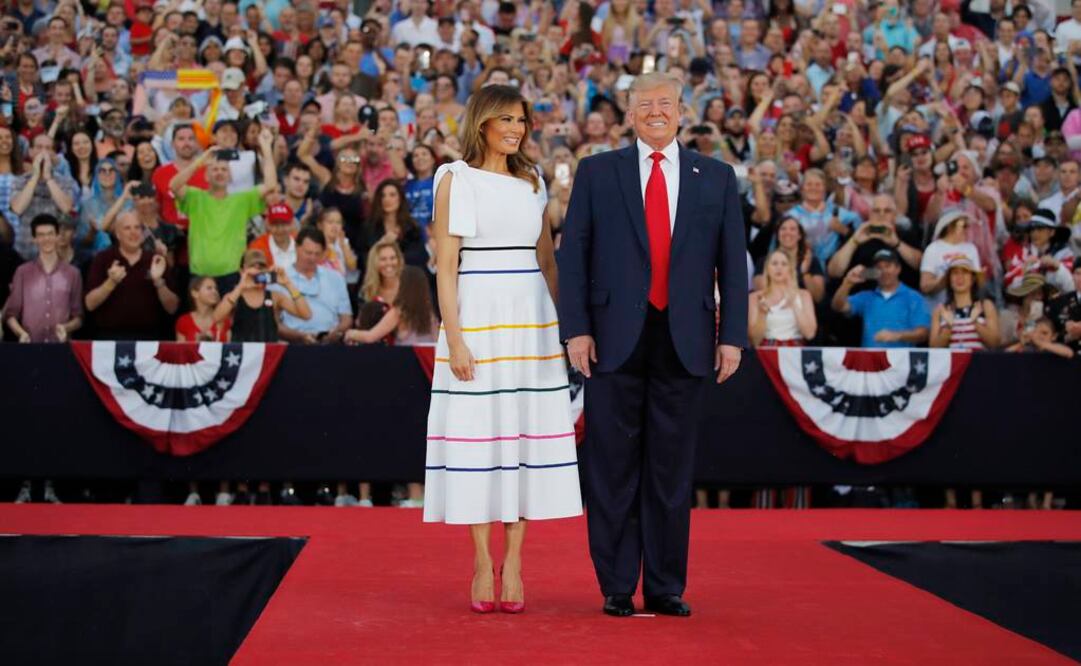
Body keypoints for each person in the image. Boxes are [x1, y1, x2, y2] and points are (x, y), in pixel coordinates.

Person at [559, 72, 747, 618]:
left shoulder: (716, 177)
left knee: (670, 470)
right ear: (630, 111)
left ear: (682, 111)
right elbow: (574, 258)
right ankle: (617, 584)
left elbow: (732, 266)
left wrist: (731, 336)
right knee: (612, 467)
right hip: (612, 341)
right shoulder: (598, 172)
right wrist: (576, 330)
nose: (656, 112)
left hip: (686, 340)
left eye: (665, 103)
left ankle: (665, 585)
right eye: (645, 104)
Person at [425, 84, 583, 615]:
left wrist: (566, 326)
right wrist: (456, 337)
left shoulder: (534, 180)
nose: (516, 128)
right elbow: (446, 266)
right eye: (506, 119)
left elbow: (548, 262)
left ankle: (513, 561)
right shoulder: (454, 177)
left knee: (523, 440)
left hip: (531, 320)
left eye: (521, 120)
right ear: (482, 122)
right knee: (479, 438)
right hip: (477, 315)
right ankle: (478, 560)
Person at [170, 129, 278, 294]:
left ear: (230, 177)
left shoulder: (242, 200)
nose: (219, 173)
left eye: (224, 170)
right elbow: (174, 185)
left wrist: (266, 148)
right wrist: (200, 161)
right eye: (214, 169)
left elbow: (270, 185)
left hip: (232, 275)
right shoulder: (195, 197)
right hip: (200, 276)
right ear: (206, 176)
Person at [83, 211, 180, 340]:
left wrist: (158, 282)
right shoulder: (103, 259)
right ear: (118, 234)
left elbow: (172, 308)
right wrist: (111, 282)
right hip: (110, 340)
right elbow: (89, 304)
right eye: (127, 228)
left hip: (149, 339)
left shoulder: (156, 259)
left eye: (137, 227)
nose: (133, 232)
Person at [3, 214, 83, 343]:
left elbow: (78, 317)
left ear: (57, 236)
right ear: (34, 239)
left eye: (50, 234)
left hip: (60, 348)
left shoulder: (73, 274)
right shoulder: (22, 272)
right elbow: (11, 314)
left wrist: (66, 328)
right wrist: (21, 333)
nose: (46, 239)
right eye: (41, 235)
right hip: (30, 347)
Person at [832, 248, 930, 349]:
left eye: (888, 266)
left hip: (901, 361)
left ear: (898, 269)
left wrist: (897, 335)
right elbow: (838, 306)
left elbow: (923, 333)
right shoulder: (867, 297)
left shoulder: (914, 297)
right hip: (870, 360)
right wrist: (847, 283)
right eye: (879, 268)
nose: (883, 271)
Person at [215, 249, 311, 343]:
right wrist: (241, 287)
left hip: (270, 355)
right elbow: (216, 318)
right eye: (253, 267)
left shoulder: (275, 296)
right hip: (242, 355)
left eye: (261, 267)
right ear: (242, 271)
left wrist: (288, 284)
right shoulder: (234, 296)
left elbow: (306, 314)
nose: (257, 271)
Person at [278, 227, 353, 343]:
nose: (312, 258)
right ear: (296, 248)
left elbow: (346, 318)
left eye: (317, 254)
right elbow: (274, 323)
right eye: (308, 253)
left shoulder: (336, 278)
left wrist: (336, 332)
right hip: (293, 344)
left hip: (330, 343)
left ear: (323, 252)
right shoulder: (280, 279)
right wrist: (299, 336)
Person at [928, 257, 1000, 351]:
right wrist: (949, 328)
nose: (959, 277)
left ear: (973, 278)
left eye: (965, 272)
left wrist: (975, 323)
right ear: (949, 279)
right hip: (953, 365)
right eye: (955, 273)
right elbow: (933, 348)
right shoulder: (940, 310)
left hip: (980, 364)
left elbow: (995, 343)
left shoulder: (986, 306)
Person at [749, 249, 816, 346]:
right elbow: (754, 341)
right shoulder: (755, 297)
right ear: (767, 268)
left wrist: (794, 303)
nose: (779, 268)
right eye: (774, 263)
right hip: (766, 353)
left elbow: (810, 334)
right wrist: (762, 314)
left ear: (790, 268)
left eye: (784, 264)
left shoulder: (804, 295)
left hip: (795, 351)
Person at [176, 276, 231, 342]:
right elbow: (181, 351)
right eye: (209, 288)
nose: (214, 291)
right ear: (195, 293)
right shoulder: (183, 321)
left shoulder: (223, 319)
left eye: (216, 288)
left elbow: (228, 349)